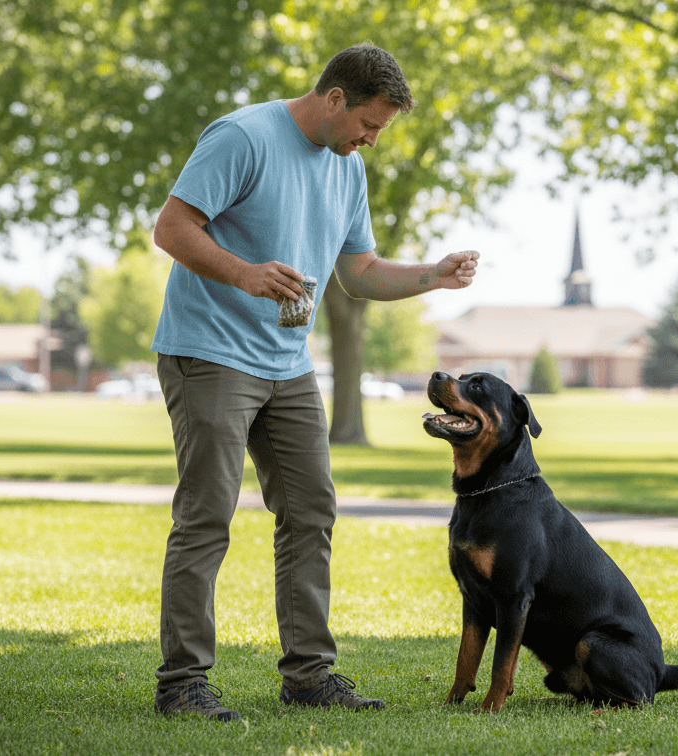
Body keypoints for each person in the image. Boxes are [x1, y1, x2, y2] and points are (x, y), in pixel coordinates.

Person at [149, 43, 479, 721]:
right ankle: (182, 682)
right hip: (210, 352)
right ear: (335, 98)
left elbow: (357, 272)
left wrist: (432, 276)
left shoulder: (345, 167)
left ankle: (308, 674)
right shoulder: (244, 137)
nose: (370, 139)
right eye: (369, 124)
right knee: (207, 515)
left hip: (287, 362)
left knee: (311, 510)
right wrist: (243, 273)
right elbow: (172, 227)